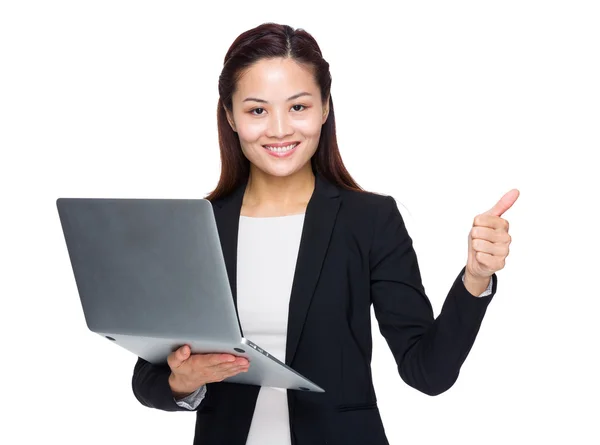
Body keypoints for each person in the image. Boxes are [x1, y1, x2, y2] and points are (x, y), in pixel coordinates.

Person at [131, 22, 518, 445]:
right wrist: (182, 381)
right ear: (230, 116)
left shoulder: (370, 219)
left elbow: (428, 372)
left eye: (298, 107)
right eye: (257, 110)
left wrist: (475, 279)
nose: (279, 129)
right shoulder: (200, 226)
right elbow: (148, 379)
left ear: (325, 107)